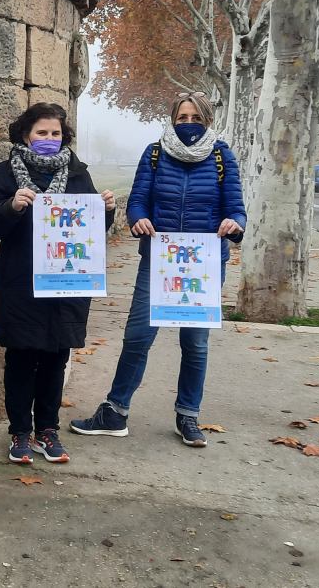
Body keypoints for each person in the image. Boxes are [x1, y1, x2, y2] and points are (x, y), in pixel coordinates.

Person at [70, 92, 245, 447]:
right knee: (137, 337)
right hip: (159, 259)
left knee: (195, 343)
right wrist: (138, 219)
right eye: (182, 118)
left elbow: (236, 208)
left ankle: (188, 416)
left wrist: (233, 223)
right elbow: (137, 200)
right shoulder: (154, 153)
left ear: (207, 120)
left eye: (195, 117)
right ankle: (115, 411)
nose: (188, 124)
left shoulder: (222, 156)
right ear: (172, 119)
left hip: (203, 264)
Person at [0, 103, 116, 465]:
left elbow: (92, 231)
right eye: (42, 133)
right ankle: (20, 432)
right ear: (26, 135)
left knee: (56, 358)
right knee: (21, 359)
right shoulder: (4, 174)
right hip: (20, 284)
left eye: (55, 133)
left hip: (65, 284)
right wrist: (12, 207)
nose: (49, 139)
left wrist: (108, 210)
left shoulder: (78, 174)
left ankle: (48, 431)